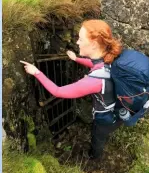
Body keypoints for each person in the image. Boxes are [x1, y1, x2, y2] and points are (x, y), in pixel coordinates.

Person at [20, 19, 123, 159]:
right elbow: (94, 64)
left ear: (93, 44)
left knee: (97, 136)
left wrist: (36, 72)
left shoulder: (94, 81)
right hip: (115, 107)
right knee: (101, 130)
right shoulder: (109, 58)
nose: (77, 42)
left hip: (106, 117)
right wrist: (76, 59)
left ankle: (95, 156)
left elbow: (58, 91)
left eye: (80, 39)